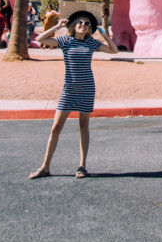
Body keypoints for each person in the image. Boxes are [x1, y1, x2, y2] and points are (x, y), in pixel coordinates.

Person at [29, 14, 119, 180]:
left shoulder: (91, 43)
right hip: (69, 90)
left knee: (83, 127)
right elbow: (41, 39)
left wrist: (104, 33)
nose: (83, 25)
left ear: (88, 29)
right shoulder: (65, 41)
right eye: (79, 22)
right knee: (56, 127)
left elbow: (114, 50)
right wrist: (56, 27)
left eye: (86, 24)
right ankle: (45, 166)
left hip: (87, 90)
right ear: (73, 26)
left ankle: (82, 166)